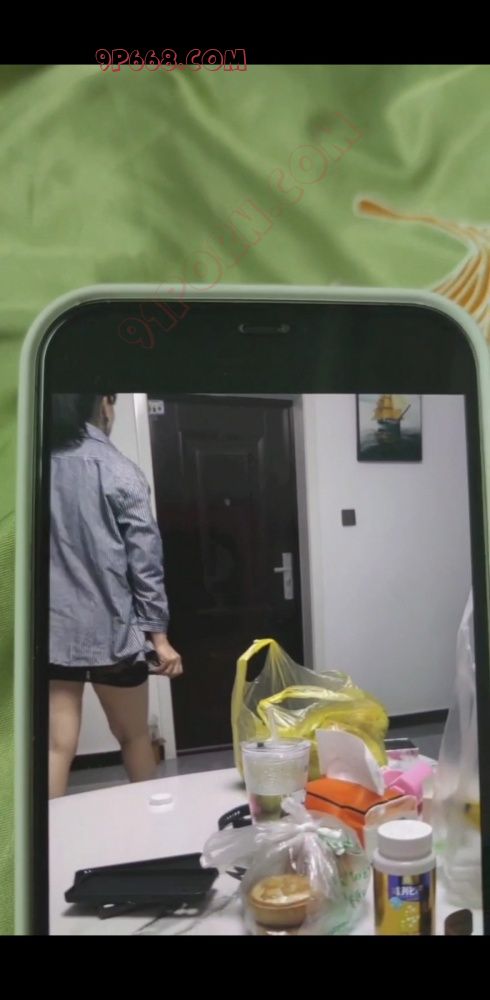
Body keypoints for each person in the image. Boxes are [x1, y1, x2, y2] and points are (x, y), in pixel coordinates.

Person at [49, 393, 182, 798]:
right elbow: (146, 564)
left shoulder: (35, 465)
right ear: (105, 402)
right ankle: (152, 826)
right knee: (134, 737)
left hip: (52, 634)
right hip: (115, 634)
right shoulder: (118, 469)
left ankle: (50, 838)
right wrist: (159, 638)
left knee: (56, 747)